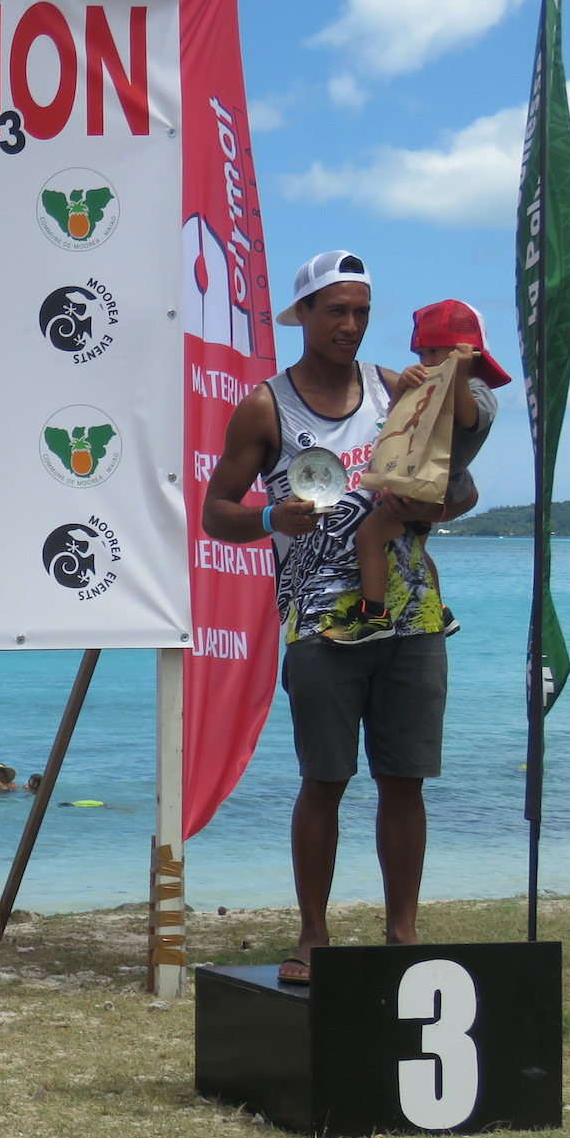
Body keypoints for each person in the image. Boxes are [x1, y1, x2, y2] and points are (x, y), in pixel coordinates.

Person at [201, 251, 468, 984]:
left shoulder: (395, 391)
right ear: (305, 315)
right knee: (325, 780)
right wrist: (267, 517)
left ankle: (403, 936)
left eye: (361, 312)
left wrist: (430, 504)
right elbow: (214, 512)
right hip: (320, 626)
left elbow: (458, 481)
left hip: (414, 617)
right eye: (335, 311)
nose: (350, 325)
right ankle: (314, 937)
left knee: (405, 779)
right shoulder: (267, 407)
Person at [325, 299, 506, 645]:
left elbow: (468, 421)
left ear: (468, 354)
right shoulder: (428, 384)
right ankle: (439, 609)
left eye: (436, 352)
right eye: (421, 354)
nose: (427, 362)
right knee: (414, 551)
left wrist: (458, 375)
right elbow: (397, 425)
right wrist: (404, 390)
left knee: (369, 537)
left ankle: (374, 615)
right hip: (422, 484)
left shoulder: (480, 393)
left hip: (437, 489)